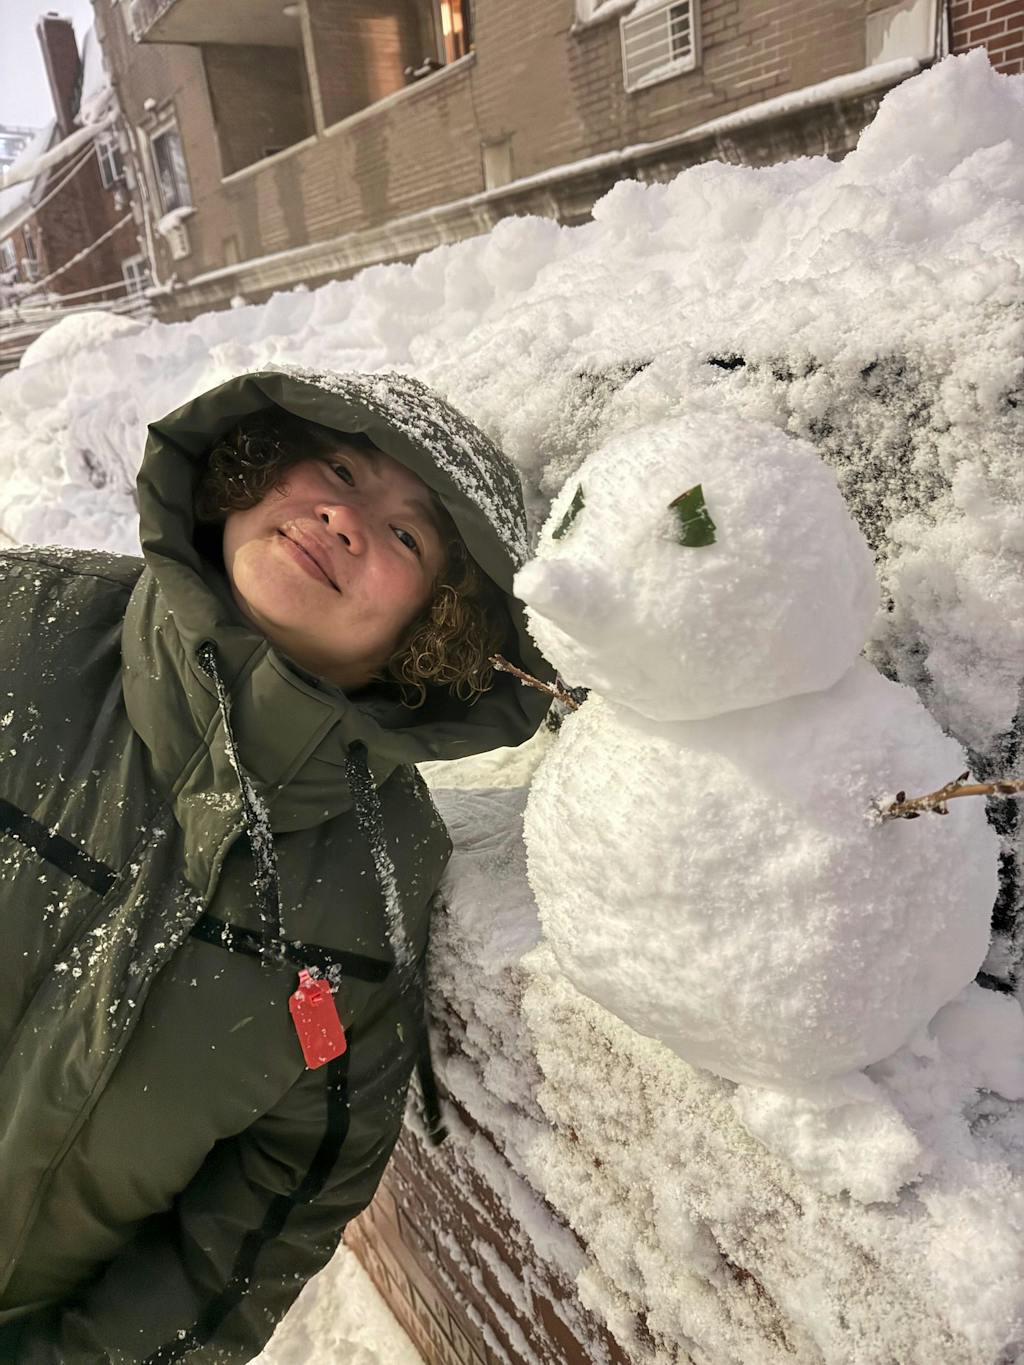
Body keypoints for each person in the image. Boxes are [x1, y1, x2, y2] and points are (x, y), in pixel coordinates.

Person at [0, 367, 552, 1363]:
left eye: (406, 536)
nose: (346, 517)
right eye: (338, 469)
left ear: (432, 631)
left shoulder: (377, 889)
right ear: (255, 470)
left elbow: (269, 1211)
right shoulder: (20, 624)